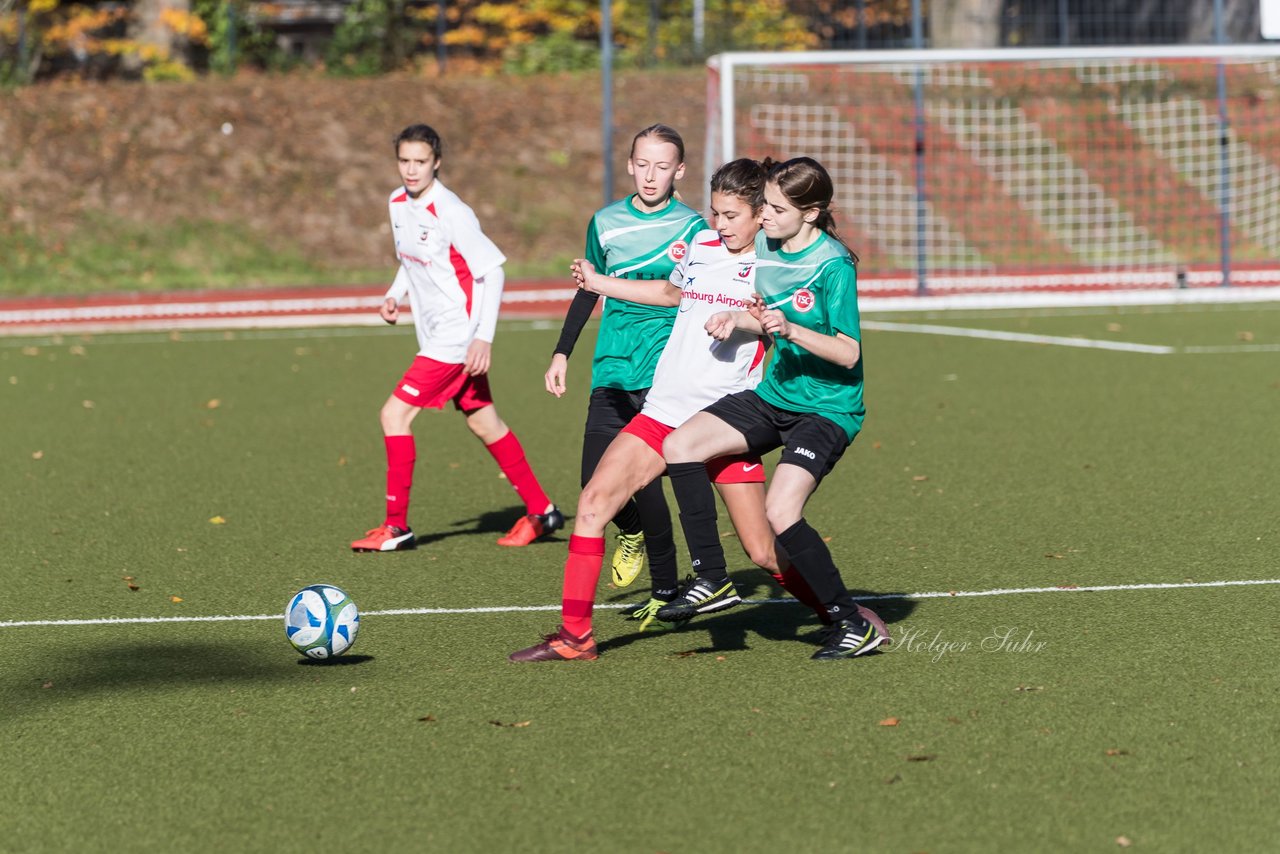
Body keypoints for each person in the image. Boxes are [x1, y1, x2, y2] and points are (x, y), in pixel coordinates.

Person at [511, 158, 834, 662]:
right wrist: (600, 284)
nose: (719, 225)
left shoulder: (776, 264)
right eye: (715, 213)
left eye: (731, 216)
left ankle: (840, 617)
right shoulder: (703, 244)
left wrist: (743, 322)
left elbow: (783, 326)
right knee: (595, 503)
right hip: (664, 410)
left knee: (763, 550)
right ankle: (576, 637)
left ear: (759, 215)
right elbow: (669, 292)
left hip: (726, 420)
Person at [653, 156, 888, 660]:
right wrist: (741, 319)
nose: (765, 217)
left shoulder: (834, 266)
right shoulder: (765, 245)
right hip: (774, 396)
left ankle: (852, 624)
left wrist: (791, 328)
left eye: (777, 209)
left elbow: (848, 353)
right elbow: (766, 318)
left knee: (781, 512)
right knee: (680, 444)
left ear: (811, 212)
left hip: (826, 409)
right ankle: (712, 577)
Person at [351, 123, 562, 552]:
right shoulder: (396, 202)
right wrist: (394, 296)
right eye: (404, 161)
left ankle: (396, 527)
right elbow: (410, 261)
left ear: (437, 162)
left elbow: (493, 271)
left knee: (394, 416)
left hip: (455, 337)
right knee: (485, 421)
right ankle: (542, 511)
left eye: (420, 162)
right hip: (436, 335)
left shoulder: (451, 210)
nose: (411, 170)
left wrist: (482, 338)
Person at [543, 124, 705, 605]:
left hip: (662, 371)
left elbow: (695, 296)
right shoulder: (605, 222)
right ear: (629, 165)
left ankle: (664, 588)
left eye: (662, 166)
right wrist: (561, 352)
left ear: (680, 170)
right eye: (643, 164)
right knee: (593, 479)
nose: (650, 176)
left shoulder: (695, 227)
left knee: (646, 481)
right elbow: (587, 287)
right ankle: (628, 530)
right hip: (612, 366)